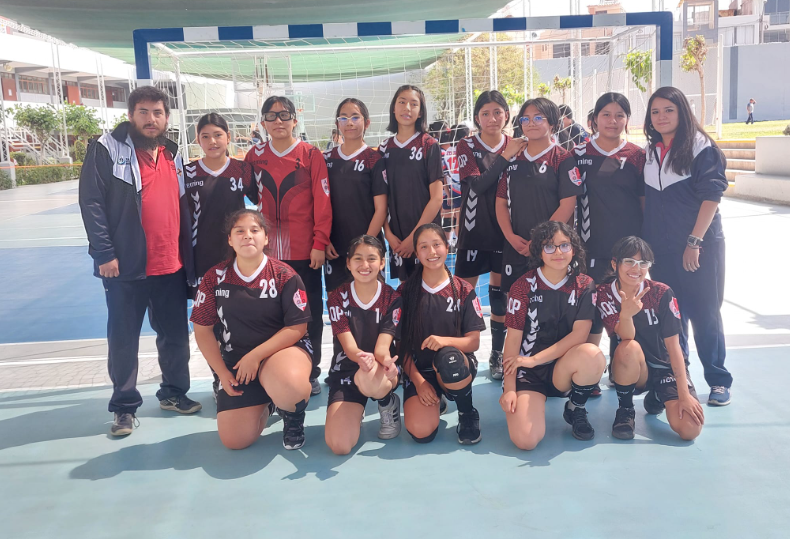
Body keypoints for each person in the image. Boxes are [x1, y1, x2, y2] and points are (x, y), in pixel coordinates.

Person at [79, 86, 201, 436]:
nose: (151, 119)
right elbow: (92, 202)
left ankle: (174, 393)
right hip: (126, 266)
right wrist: (104, 253)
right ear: (131, 115)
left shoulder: (172, 153)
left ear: (166, 117)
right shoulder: (107, 148)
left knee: (176, 337)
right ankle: (124, 406)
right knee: (124, 338)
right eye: (144, 112)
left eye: (158, 112)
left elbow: (182, 207)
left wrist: (187, 259)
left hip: (170, 265)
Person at [190, 210, 314, 450]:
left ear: (266, 238)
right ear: (230, 239)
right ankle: (268, 402)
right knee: (235, 440)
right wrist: (222, 373)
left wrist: (256, 356)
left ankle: (292, 415)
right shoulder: (214, 278)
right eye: (240, 231)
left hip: (281, 354)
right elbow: (202, 330)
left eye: (255, 230)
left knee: (292, 387)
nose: (248, 236)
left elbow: (297, 327)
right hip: (239, 363)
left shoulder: (284, 275)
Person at [643, 86, 732, 406]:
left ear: (682, 111)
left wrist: (694, 242)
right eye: (655, 111)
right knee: (672, 316)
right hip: (663, 250)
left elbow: (712, 197)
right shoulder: (652, 152)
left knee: (704, 313)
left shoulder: (700, 146)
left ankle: (718, 379)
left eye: (668, 110)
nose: (661, 117)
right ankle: (681, 379)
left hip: (699, 248)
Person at [244, 95, 331, 396]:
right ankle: (271, 370)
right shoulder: (253, 156)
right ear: (264, 123)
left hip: (304, 252)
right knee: (269, 314)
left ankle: (312, 369)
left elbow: (323, 202)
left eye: (284, 115)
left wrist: (319, 242)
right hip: (267, 256)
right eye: (271, 116)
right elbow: (246, 199)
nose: (278, 121)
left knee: (308, 313)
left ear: (296, 119)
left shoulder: (310, 154)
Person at [500, 221, 605, 449]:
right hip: (528, 373)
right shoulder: (523, 286)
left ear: (573, 249)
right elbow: (513, 340)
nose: (558, 252)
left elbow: (579, 335)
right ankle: (528, 401)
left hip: (562, 369)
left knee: (592, 354)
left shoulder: (584, 285)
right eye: (549, 246)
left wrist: (534, 359)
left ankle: (575, 407)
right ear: (539, 251)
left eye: (564, 245)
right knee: (526, 440)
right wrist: (509, 388)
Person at [597, 236, 704, 441]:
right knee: (629, 347)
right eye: (629, 261)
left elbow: (674, 347)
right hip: (633, 369)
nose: (636, 268)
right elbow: (626, 336)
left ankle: (657, 396)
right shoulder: (604, 293)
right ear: (614, 263)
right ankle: (626, 410)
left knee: (690, 430)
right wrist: (626, 314)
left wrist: (683, 394)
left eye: (643, 263)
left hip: (665, 367)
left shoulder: (661, 292)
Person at [456, 90, 528, 380]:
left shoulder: (520, 145)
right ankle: (462, 353)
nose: (492, 118)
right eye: (485, 113)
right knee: (462, 294)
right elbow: (477, 186)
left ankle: (497, 354)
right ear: (477, 118)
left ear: (507, 115)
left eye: (498, 112)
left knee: (500, 297)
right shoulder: (466, 145)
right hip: (474, 232)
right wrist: (504, 156)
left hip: (506, 233)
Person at [399, 223, 486, 445]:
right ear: (417, 253)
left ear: (447, 247)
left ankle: (466, 412)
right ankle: (438, 398)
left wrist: (443, 341)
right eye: (424, 247)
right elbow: (400, 347)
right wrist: (418, 382)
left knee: (449, 358)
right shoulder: (405, 293)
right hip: (420, 371)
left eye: (436, 244)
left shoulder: (464, 289)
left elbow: (474, 342)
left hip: (456, 363)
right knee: (421, 433)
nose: (432, 252)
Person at [495, 97, 582, 294]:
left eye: (538, 117)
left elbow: (567, 206)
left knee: (549, 308)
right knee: (516, 309)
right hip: (516, 246)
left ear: (552, 123)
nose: (531, 123)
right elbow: (500, 202)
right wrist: (510, 236)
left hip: (550, 248)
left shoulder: (562, 158)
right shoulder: (512, 157)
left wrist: (541, 240)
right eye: (525, 119)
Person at [324, 236, 402, 454]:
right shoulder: (338, 297)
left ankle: (386, 401)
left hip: (379, 370)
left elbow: (382, 347)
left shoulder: (392, 298)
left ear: (382, 262)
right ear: (348, 263)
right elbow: (348, 346)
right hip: (349, 368)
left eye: (371, 258)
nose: (365, 265)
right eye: (358, 259)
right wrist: (359, 357)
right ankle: (355, 410)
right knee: (339, 445)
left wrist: (387, 362)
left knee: (370, 377)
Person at [379, 85, 444, 281]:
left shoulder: (429, 145)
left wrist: (414, 238)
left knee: (430, 289)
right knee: (406, 291)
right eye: (402, 102)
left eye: (413, 104)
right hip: (397, 236)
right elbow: (380, 199)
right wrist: (388, 235)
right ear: (393, 108)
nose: (407, 108)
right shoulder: (383, 149)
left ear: (420, 112)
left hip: (425, 235)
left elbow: (437, 198)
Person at [323, 98, 387, 292]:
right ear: (337, 124)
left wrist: (365, 246)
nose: (349, 122)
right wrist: (324, 240)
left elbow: (381, 209)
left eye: (355, 117)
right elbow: (319, 205)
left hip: (368, 246)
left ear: (366, 122)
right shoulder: (326, 159)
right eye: (343, 117)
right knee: (338, 307)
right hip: (334, 248)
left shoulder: (374, 159)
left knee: (373, 305)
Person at [439, 124, 469, 249]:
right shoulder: (465, 151)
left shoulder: (447, 153)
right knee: (463, 218)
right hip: (465, 187)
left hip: (454, 189)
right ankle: (461, 243)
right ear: (466, 136)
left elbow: (444, 175)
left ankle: (458, 243)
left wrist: (449, 192)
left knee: (457, 217)